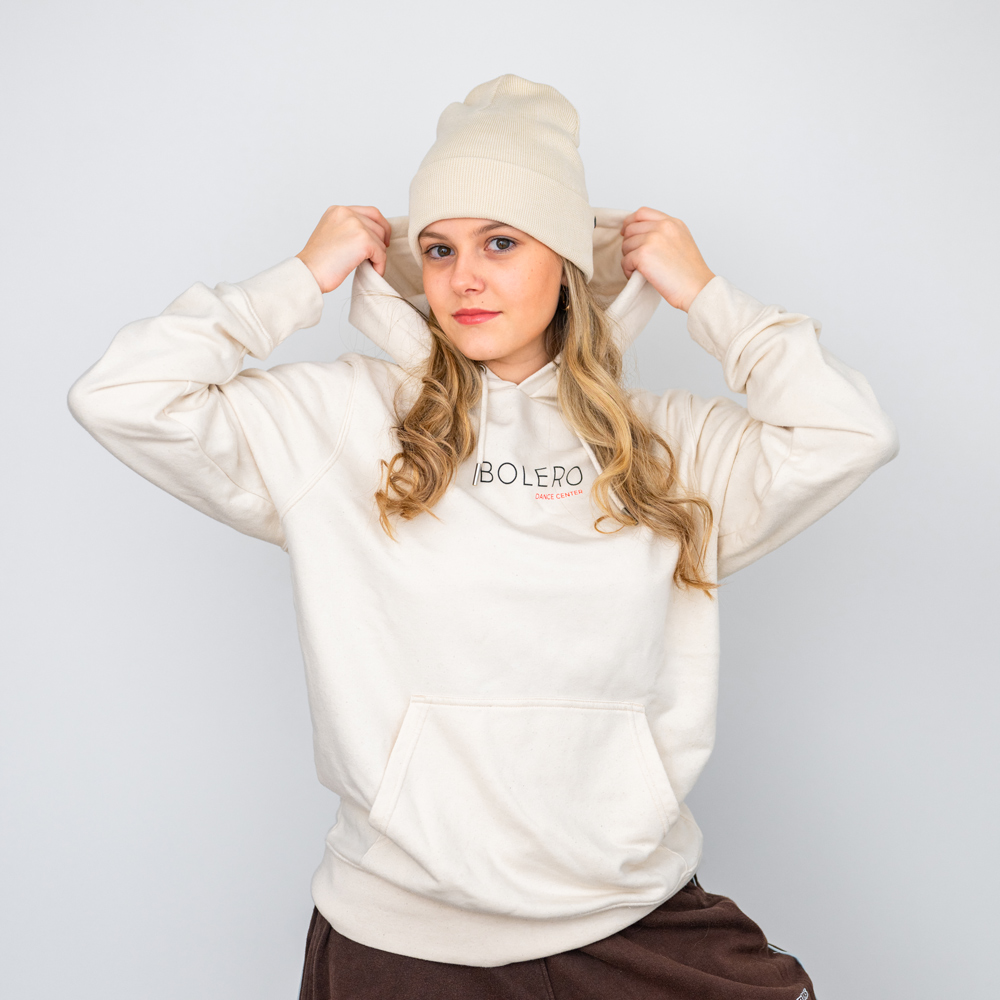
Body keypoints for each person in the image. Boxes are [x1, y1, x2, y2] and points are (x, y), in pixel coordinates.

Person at [68, 75, 897, 999]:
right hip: (402, 936)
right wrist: (298, 279)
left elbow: (849, 434)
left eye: (501, 241)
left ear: (566, 262)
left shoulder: (667, 446)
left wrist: (706, 296)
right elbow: (122, 397)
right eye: (439, 249)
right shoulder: (342, 422)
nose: (464, 277)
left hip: (627, 913)